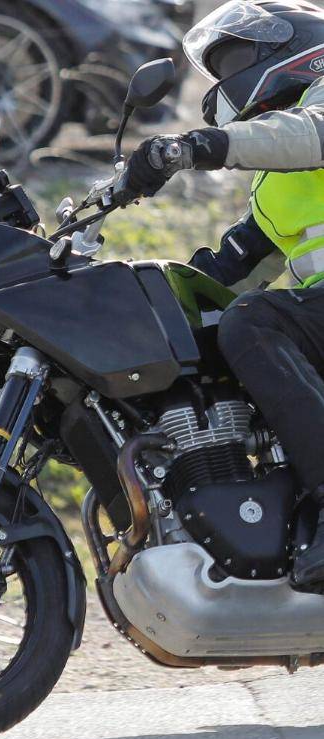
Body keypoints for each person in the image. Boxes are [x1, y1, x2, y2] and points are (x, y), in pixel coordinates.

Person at [114, 0, 324, 586]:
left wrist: (193, 146)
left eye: (237, 60)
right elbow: (229, 269)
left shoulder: (314, 117)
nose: (229, 78)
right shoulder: (278, 186)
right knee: (207, 335)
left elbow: (308, 134)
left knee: (254, 322)